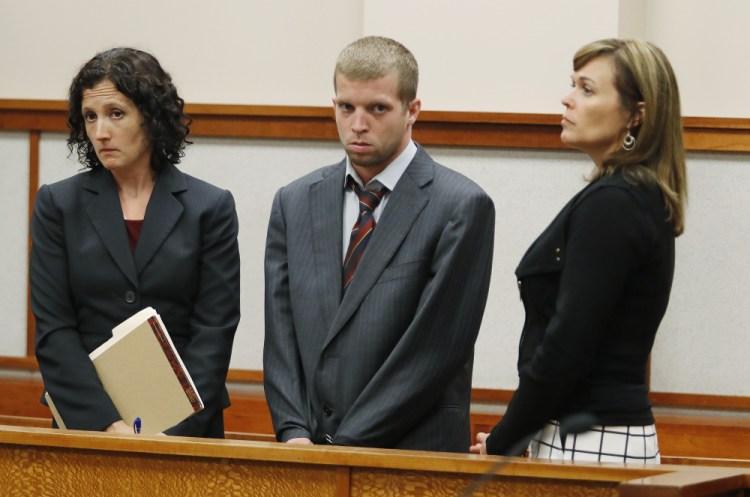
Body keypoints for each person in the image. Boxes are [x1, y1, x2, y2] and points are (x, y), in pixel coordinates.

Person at [263, 36, 495, 452]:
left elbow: (434, 352)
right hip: (307, 452)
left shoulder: (460, 205)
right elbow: (281, 335)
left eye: (378, 108)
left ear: (413, 111)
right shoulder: (293, 201)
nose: (357, 124)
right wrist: (294, 430)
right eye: (346, 107)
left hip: (412, 454)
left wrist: (345, 446)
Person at [471, 39, 686, 463]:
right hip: (593, 436)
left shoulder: (614, 203)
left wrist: (504, 439)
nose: (567, 99)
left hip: (590, 440)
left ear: (636, 115)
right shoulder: (631, 195)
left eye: (587, 89)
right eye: (573, 85)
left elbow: (567, 345)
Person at [30, 47, 240, 438]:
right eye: (90, 117)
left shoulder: (209, 207)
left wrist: (169, 431)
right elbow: (54, 329)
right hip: (85, 422)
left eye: (116, 114)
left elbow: (214, 330)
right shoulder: (58, 204)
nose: (100, 132)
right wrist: (108, 425)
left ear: (152, 117)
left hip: (186, 426)